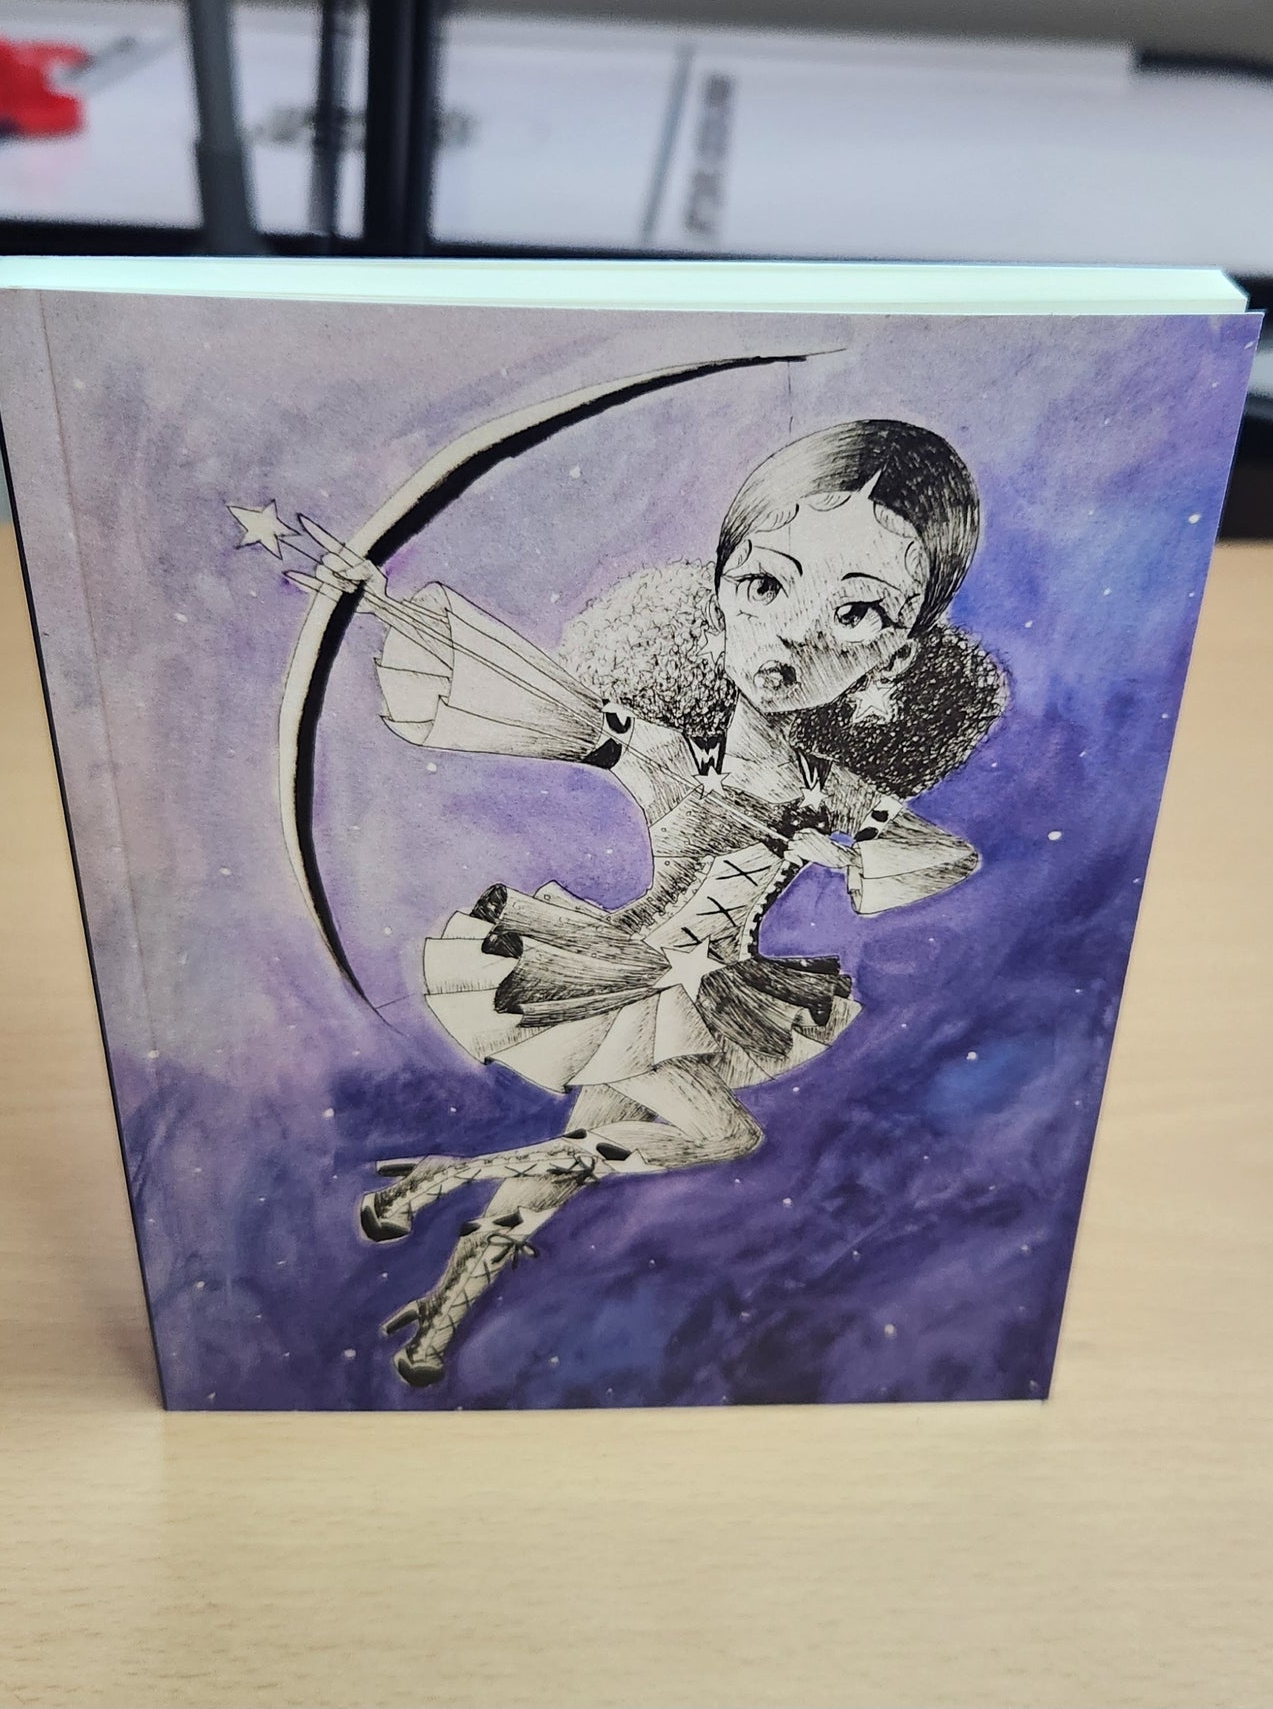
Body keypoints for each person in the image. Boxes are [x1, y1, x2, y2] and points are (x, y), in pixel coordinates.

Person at [290, 419, 1008, 1386]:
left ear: (897, 654)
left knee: (573, 1161)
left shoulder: (835, 787)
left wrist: (851, 849)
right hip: (631, 976)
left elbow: (946, 856)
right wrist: (378, 601)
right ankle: (451, 1174)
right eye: (767, 586)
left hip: (717, 994)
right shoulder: (667, 756)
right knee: (722, 1134)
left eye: (857, 613)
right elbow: (527, 691)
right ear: (718, 595)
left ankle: (438, 1320)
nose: (796, 632)